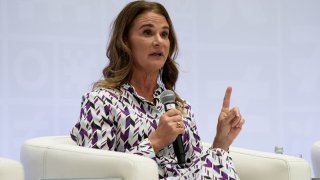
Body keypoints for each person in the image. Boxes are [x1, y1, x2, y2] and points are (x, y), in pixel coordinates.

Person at [70, 1, 245, 179]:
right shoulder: (101, 101)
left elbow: (197, 167)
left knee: (221, 160)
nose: (158, 41)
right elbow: (95, 173)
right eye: (147, 32)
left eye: (164, 34)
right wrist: (156, 140)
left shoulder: (178, 106)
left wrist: (221, 142)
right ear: (125, 42)